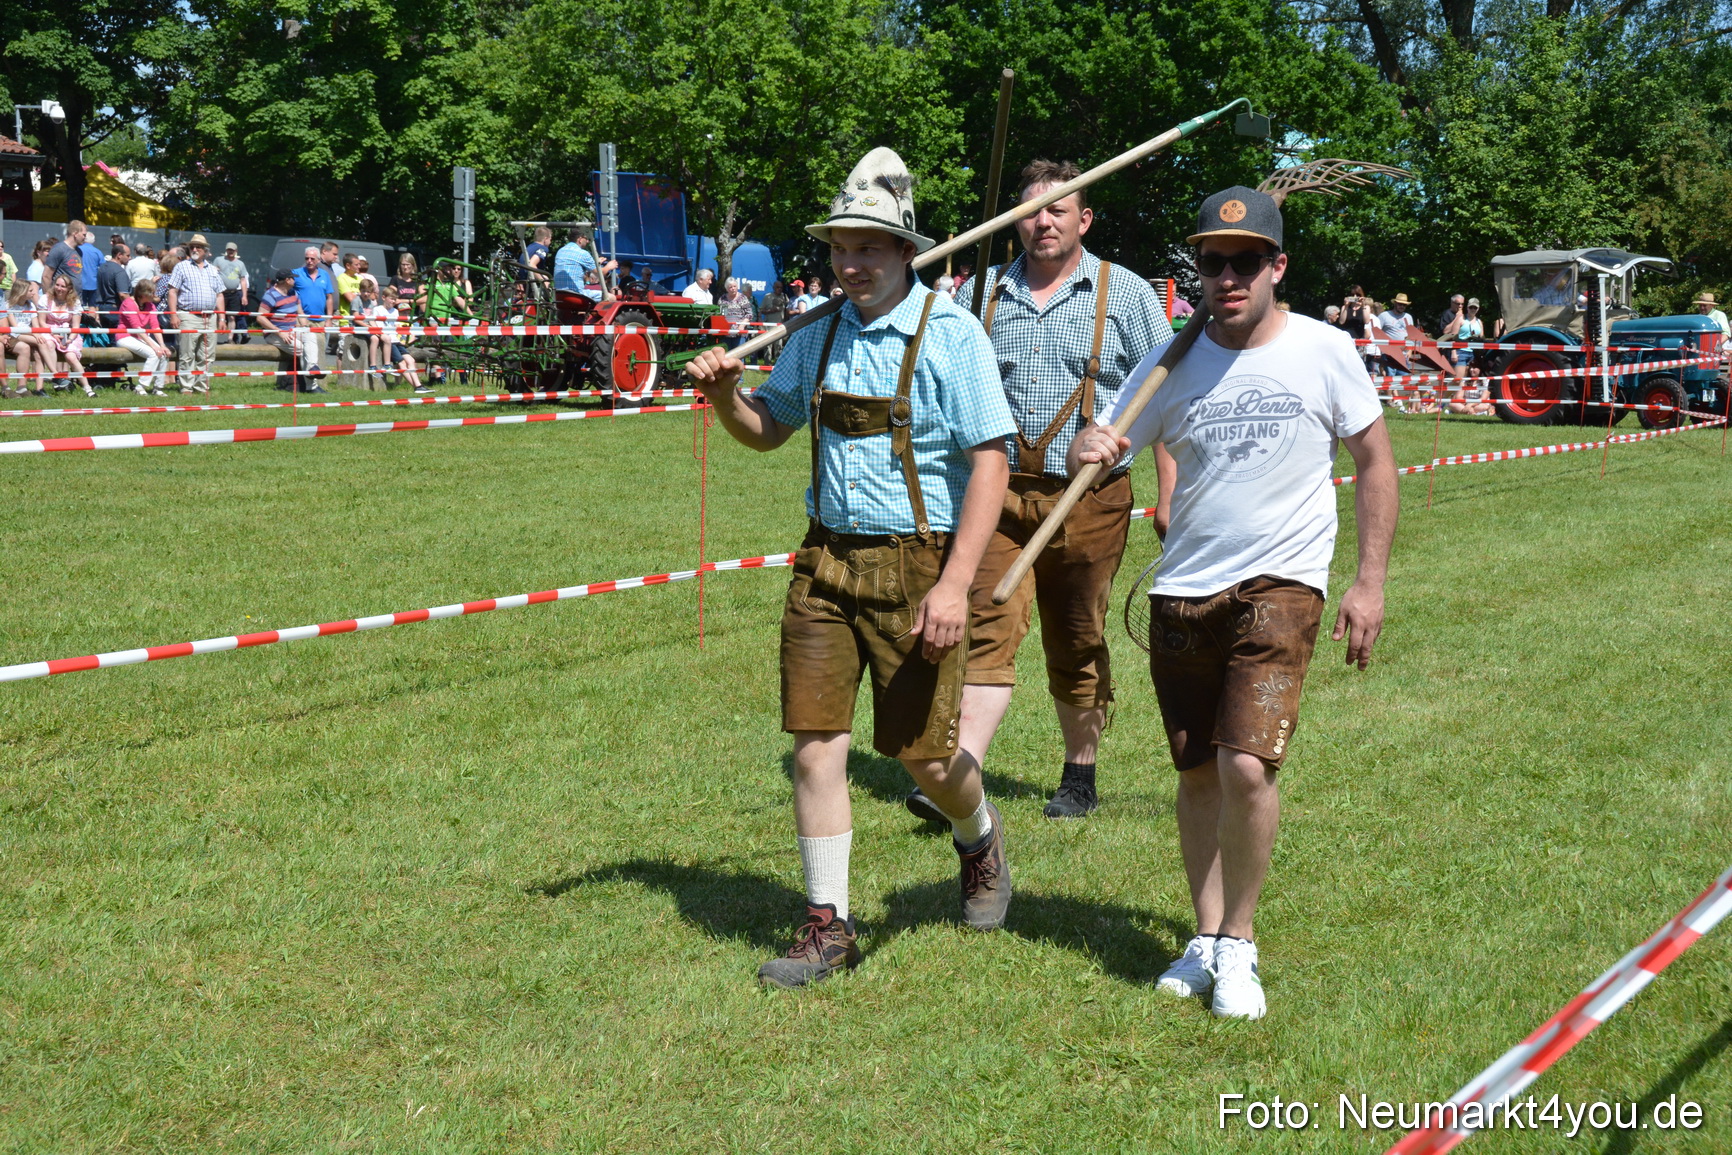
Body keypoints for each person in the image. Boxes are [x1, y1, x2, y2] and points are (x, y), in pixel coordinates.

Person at [684, 146, 1018, 988]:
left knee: (924, 759)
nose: (850, 263)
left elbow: (992, 464)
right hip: (825, 565)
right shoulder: (814, 333)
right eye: (839, 247)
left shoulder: (953, 336)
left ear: (907, 251)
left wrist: (953, 585)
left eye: (868, 246)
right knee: (814, 749)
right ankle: (828, 924)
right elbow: (771, 427)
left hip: (919, 572)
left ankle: (977, 836)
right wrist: (728, 394)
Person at [1069, 185, 1398, 1019]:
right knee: (1196, 773)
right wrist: (1093, 444)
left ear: (1276, 266)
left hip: (1283, 584)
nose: (1226, 277)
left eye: (1244, 262)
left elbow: (1373, 464)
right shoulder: (1169, 366)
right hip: (1184, 589)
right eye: (1212, 263)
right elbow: (1105, 448)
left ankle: (1242, 945)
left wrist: (1368, 581)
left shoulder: (1325, 351)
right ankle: (1206, 937)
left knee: (1246, 763)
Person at [926, 157, 1171, 823]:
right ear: (1015, 221)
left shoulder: (1125, 294)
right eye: (1032, 210)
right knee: (986, 624)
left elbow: (1170, 395)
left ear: (1083, 219)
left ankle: (1079, 775)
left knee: (1076, 635)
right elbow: (943, 391)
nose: (1043, 222)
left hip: (1089, 499)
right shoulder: (981, 295)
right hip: (998, 495)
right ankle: (962, 771)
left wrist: (1172, 495)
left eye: (1058, 209)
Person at [166, 234, 225, 395]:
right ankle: (186, 387)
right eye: (192, 246)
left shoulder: (213, 270)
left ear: (205, 250)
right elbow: (172, 292)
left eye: (198, 247)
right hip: (188, 316)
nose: (194, 249)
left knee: (207, 355)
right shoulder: (182, 266)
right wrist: (173, 315)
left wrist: (222, 317)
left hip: (210, 317)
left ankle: (201, 386)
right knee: (186, 354)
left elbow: (219, 294)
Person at [257, 268, 326, 392]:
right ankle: (311, 387)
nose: (295, 280)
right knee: (301, 348)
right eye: (292, 278)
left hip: (293, 330)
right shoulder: (270, 295)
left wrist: (304, 327)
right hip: (274, 333)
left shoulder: (294, 293)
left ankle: (312, 369)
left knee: (310, 336)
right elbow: (260, 318)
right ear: (287, 280)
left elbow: (300, 313)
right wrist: (279, 332)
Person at [115, 282, 170, 396]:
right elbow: (136, 327)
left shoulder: (150, 305)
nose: (155, 295)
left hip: (141, 336)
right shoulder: (128, 303)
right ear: (143, 294)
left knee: (163, 353)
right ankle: (141, 386)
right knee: (154, 353)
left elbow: (155, 326)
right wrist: (153, 346)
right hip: (125, 336)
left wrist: (162, 345)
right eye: (152, 293)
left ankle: (158, 387)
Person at [43, 272, 91, 396]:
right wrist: (53, 334)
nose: (59, 288)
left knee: (71, 357)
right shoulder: (46, 299)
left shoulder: (74, 302)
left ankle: (87, 388)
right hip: (49, 331)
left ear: (69, 289)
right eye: (57, 285)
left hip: (68, 332)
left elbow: (75, 326)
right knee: (49, 344)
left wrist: (70, 339)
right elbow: (41, 322)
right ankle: (56, 378)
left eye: (62, 286)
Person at [5, 279, 54, 397]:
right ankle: (54, 372)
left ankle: (39, 388)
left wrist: (35, 333)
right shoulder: (9, 305)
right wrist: (34, 334)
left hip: (28, 334)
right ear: (22, 292)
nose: (34, 293)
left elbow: (36, 325)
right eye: (30, 290)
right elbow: (15, 328)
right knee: (42, 343)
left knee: (38, 352)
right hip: (15, 335)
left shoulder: (30, 305)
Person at [373, 285, 423, 391]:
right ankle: (417, 386)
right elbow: (374, 323)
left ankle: (419, 385)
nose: (393, 301)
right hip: (388, 341)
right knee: (402, 363)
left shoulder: (395, 311)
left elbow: (396, 326)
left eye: (395, 299)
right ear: (383, 297)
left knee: (411, 360)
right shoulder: (377, 309)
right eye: (391, 298)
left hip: (396, 340)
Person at [292, 246, 337, 363]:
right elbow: (286, 292)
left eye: (312, 258)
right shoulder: (296, 273)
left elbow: (329, 297)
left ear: (318, 260)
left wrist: (329, 319)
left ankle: (319, 377)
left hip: (320, 319)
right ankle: (301, 378)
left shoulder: (324, 274)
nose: (309, 261)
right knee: (302, 350)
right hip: (301, 319)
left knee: (319, 348)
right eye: (307, 258)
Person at [215, 242, 251, 343]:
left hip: (234, 292)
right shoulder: (219, 260)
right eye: (229, 250)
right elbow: (212, 272)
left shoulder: (240, 264)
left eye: (232, 250)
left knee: (232, 316)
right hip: (220, 292)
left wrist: (244, 296)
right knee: (216, 314)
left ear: (236, 251)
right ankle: (212, 338)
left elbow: (243, 280)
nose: (230, 252)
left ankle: (230, 338)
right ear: (226, 250)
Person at [41, 220, 87, 297]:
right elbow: (46, 276)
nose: (85, 238)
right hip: (61, 301)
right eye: (83, 235)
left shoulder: (79, 251)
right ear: (75, 233)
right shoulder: (59, 249)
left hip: (76, 300)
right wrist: (49, 299)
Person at [1374, 292, 1411, 374]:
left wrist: (1410, 351)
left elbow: (1410, 335)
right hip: (1388, 354)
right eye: (1400, 304)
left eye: (1404, 305)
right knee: (1390, 381)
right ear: (1395, 303)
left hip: (1404, 354)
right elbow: (1377, 333)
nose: (1402, 306)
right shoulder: (1384, 316)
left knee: (1404, 381)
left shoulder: (1408, 317)